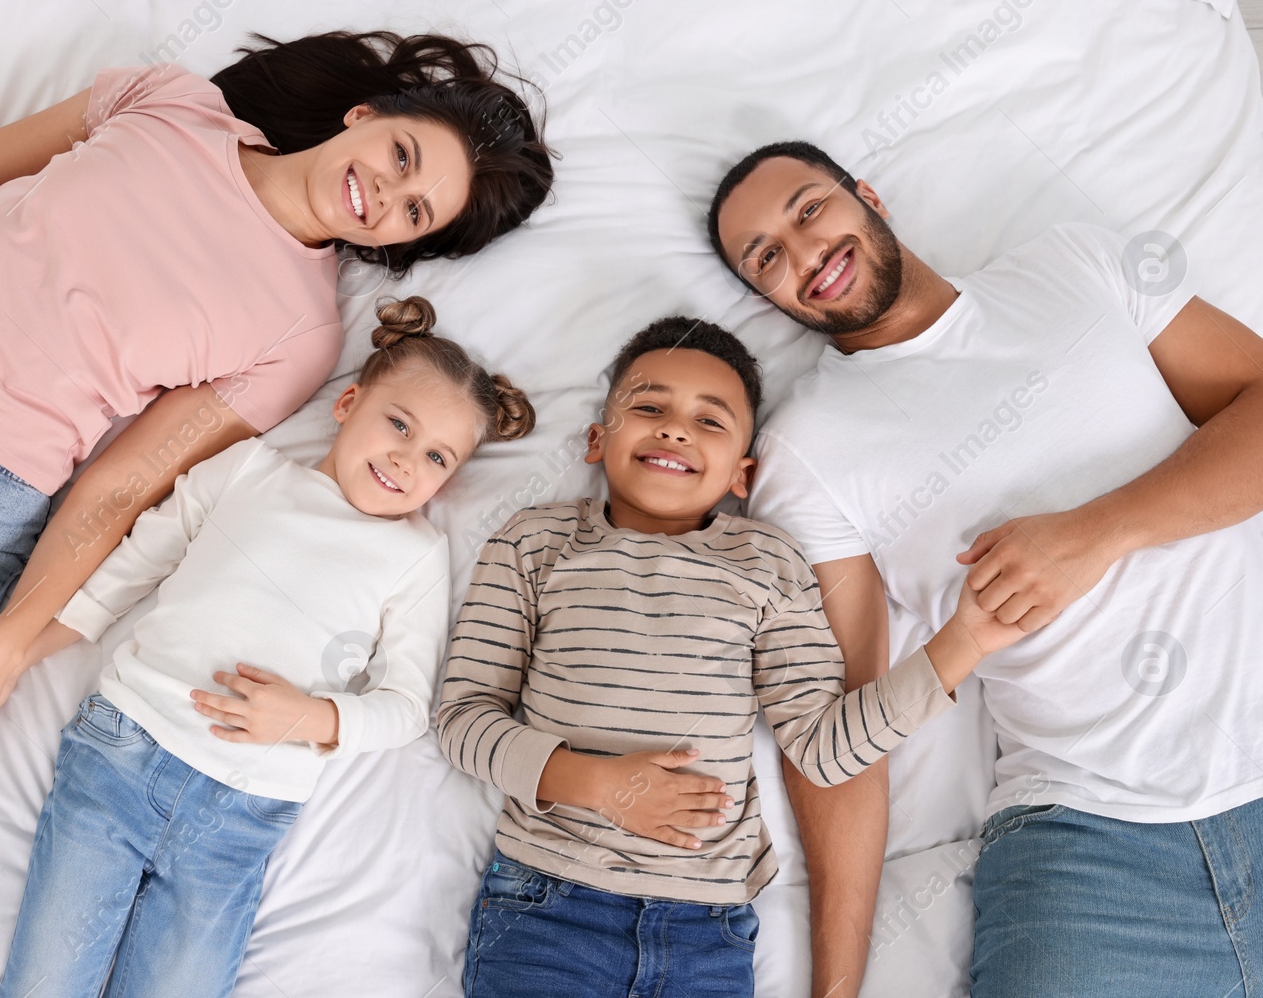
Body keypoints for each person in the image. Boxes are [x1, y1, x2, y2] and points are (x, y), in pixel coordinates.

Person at [0, 29, 554, 925]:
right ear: (363, 114)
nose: (387, 197)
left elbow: (122, 486)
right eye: (401, 158)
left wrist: (10, 644)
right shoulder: (166, 100)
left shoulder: (301, 339)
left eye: (415, 213)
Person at [709, 140, 1263, 996]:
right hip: (1085, 849)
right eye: (766, 257)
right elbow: (849, 735)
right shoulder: (807, 448)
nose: (804, 253)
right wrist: (836, 987)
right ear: (764, 294)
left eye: (808, 209)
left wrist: (1097, 532)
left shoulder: (1075, 263)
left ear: (865, 194)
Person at [435, 317, 1026, 997]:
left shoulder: (769, 565)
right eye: (649, 407)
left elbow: (823, 749)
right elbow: (462, 720)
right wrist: (601, 787)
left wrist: (963, 643)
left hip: (703, 931)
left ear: (743, 474)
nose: (675, 429)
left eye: (709, 422)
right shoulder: (534, 542)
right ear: (598, 439)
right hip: (550, 906)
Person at [0, 296, 534, 998]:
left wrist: (313, 718)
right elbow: (131, 568)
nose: (406, 458)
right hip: (122, 752)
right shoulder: (250, 470)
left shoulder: (415, 555)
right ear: (347, 403)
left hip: (238, 817)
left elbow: (404, 706)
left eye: (436, 455)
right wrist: (13, 658)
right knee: (42, 983)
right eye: (398, 423)